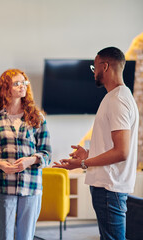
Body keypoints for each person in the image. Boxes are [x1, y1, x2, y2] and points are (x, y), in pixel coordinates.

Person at [54, 47, 139, 240]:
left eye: (95, 67)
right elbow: (114, 147)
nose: (93, 72)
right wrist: (89, 154)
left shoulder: (117, 100)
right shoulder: (116, 97)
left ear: (105, 66)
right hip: (109, 187)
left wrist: (83, 164)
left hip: (110, 188)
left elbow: (122, 152)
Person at [0, 69, 51, 240]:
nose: (22, 86)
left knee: (26, 237)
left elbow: (47, 153)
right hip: (3, 186)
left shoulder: (37, 118)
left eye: (24, 82)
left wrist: (30, 160)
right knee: (4, 236)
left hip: (31, 186)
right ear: (5, 88)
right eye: (17, 83)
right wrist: (0, 164)